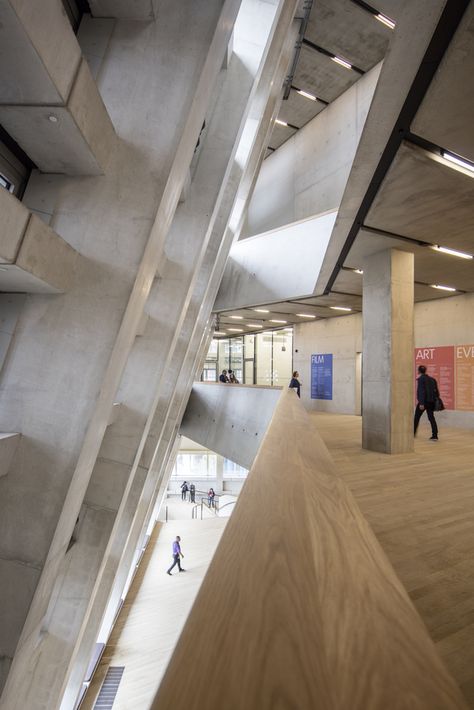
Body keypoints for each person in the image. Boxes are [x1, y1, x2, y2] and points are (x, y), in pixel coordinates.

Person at [414, 365, 439, 440]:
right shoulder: (432, 379)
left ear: (419, 371)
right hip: (431, 402)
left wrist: (421, 403)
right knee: (431, 418)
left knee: (416, 417)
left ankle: (413, 433)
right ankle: (435, 435)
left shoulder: (421, 379)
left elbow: (421, 392)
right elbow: (437, 393)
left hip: (424, 402)